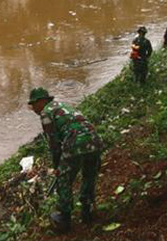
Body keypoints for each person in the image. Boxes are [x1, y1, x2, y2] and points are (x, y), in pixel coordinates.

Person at [27, 87, 103, 233]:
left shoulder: (46, 113)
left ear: (41, 101)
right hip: (95, 140)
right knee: (89, 175)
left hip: (75, 143)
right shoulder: (63, 106)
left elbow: (54, 144)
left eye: (33, 105)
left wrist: (57, 167)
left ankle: (64, 218)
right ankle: (87, 210)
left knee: (63, 179)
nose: (34, 109)